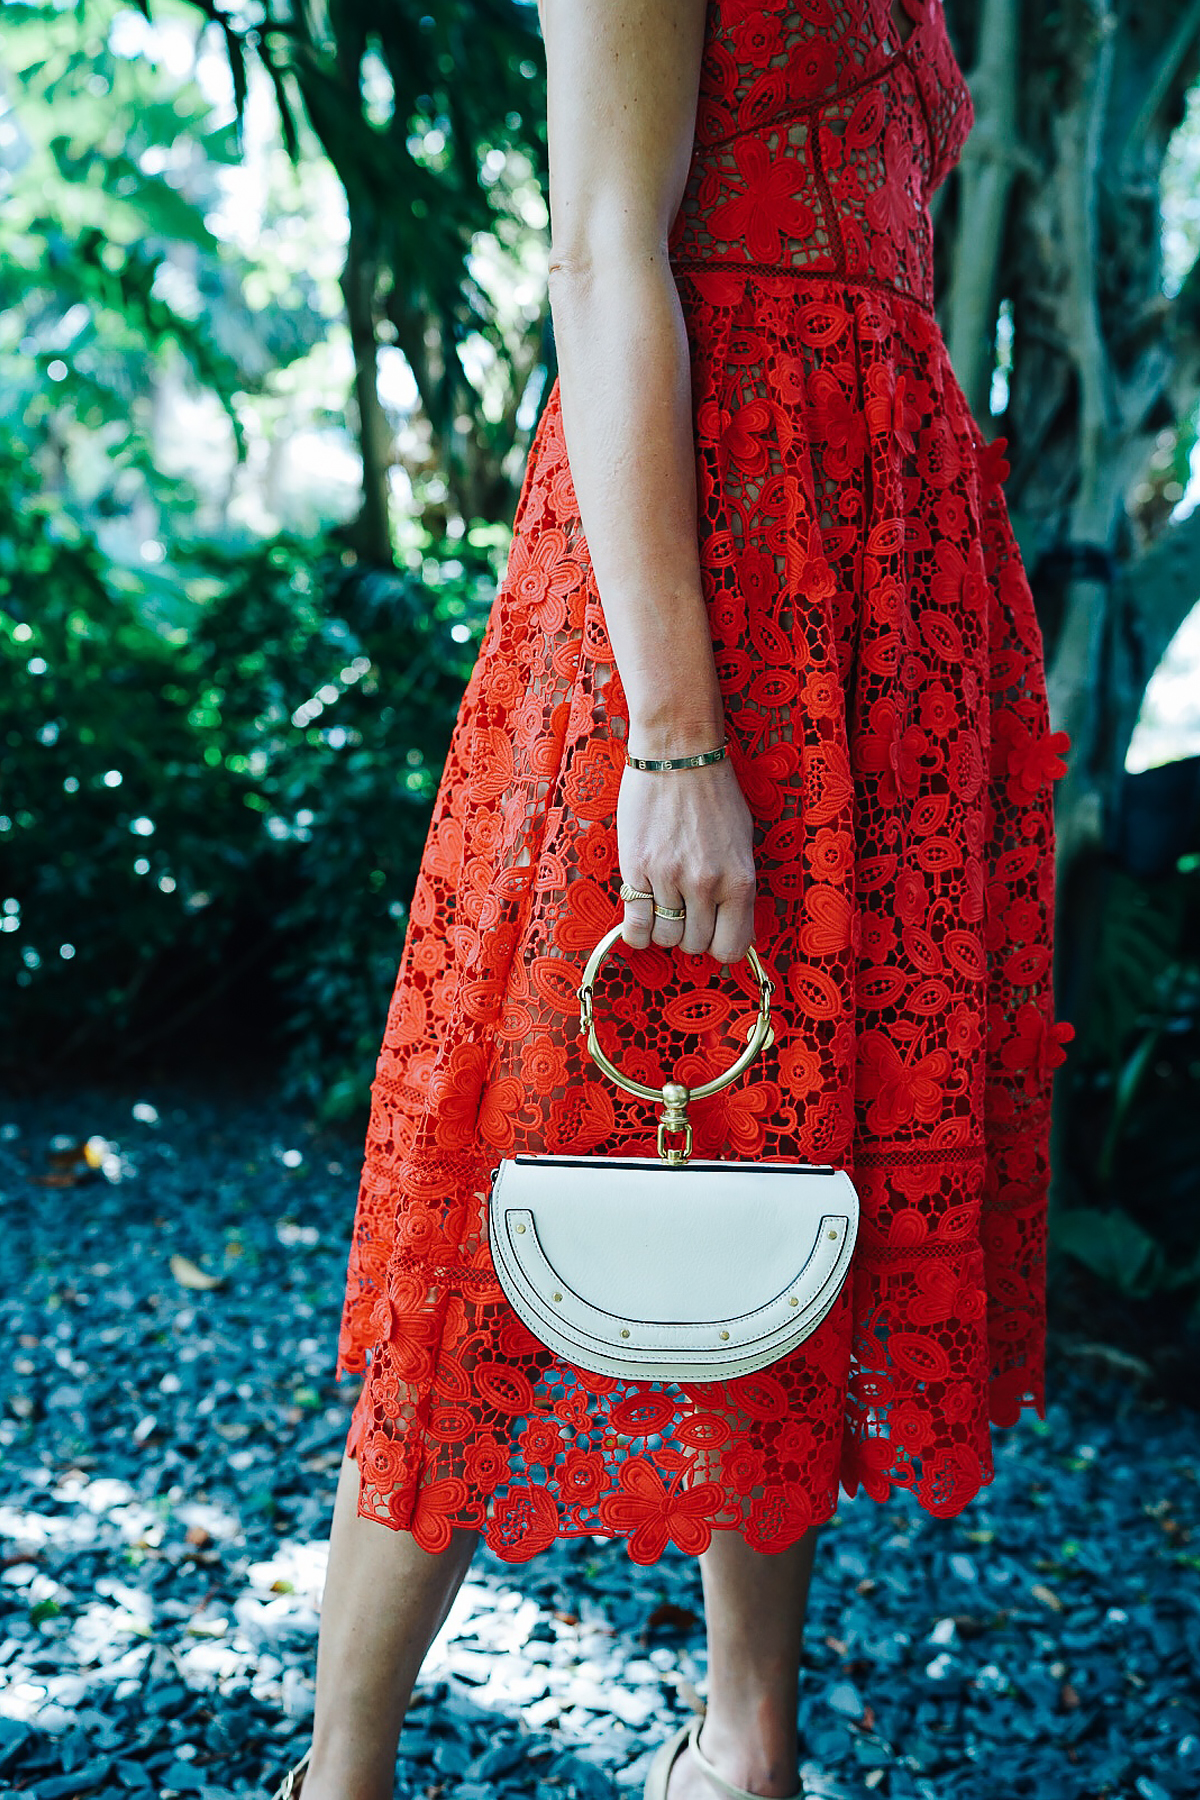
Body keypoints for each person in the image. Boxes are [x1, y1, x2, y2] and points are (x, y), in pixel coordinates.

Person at [272, 2, 1073, 1797]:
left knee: (802, 1144)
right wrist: (675, 739)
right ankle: (341, 1773)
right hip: (697, 576)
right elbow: (595, 252)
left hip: (883, 579)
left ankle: (744, 1747)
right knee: (521, 1163)